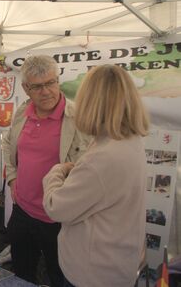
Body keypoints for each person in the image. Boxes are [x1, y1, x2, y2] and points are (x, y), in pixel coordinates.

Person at [43, 65, 149, 287]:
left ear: (91, 102)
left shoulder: (103, 157)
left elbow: (56, 207)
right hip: (117, 264)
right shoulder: (129, 140)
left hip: (92, 274)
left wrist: (57, 171)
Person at [1, 55, 90, 286]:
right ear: (26, 88)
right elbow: (7, 144)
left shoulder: (77, 118)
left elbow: (88, 167)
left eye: (51, 83)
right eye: (38, 86)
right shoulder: (23, 112)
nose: (46, 91)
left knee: (60, 277)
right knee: (21, 274)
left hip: (58, 219)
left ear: (58, 80)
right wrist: (12, 180)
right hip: (23, 212)